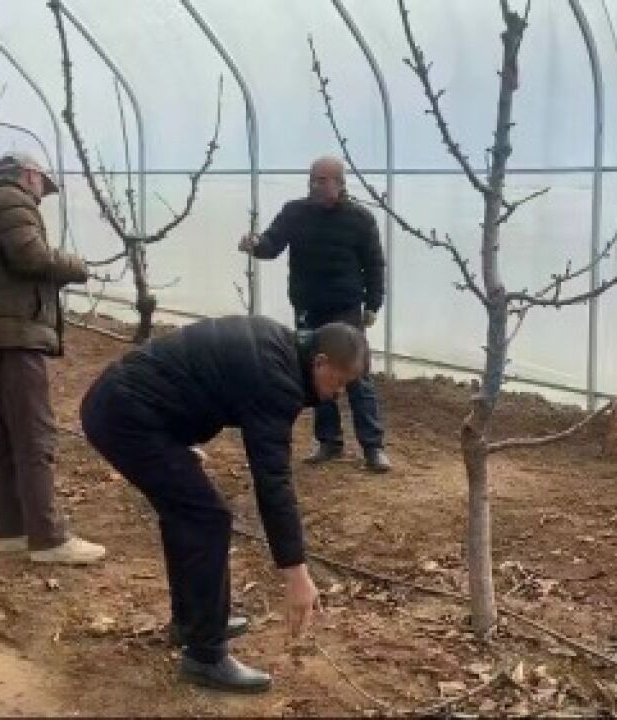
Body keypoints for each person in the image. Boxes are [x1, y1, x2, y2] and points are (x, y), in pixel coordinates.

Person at [79, 315, 367, 692]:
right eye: (340, 382)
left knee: (188, 511)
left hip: (126, 405)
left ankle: (193, 622)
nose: (339, 393)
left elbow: (199, 376)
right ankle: (205, 656)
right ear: (320, 362)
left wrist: (176, 442)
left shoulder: (276, 344)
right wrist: (296, 573)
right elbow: (273, 481)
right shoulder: (277, 380)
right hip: (126, 417)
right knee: (206, 517)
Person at [0, 151, 105, 564]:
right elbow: (31, 257)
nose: (43, 196)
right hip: (14, 331)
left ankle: (15, 529)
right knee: (34, 433)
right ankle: (48, 537)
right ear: (29, 175)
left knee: (7, 435)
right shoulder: (12, 201)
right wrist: (76, 266)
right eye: (43, 185)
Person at [239, 156, 391, 473]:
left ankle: (373, 446)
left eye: (324, 180)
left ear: (340, 182)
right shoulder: (295, 213)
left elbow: (375, 264)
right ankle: (328, 441)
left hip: (346, 309)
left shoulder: (360, 218)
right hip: (308, 307)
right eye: (314, 180)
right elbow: (273, 243)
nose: (318, 186)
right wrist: (255, 244)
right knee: (316, 375)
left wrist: (373, 304)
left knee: (356, 375)